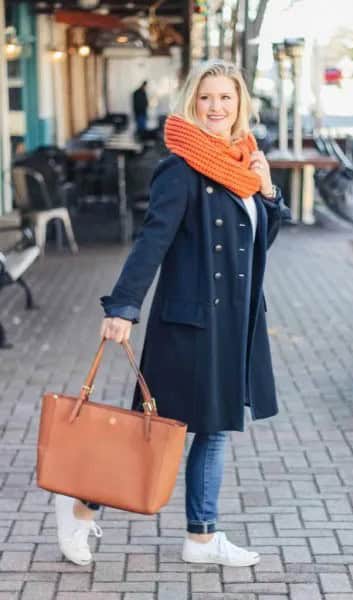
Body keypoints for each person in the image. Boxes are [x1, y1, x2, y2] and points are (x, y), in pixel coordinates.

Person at [55, 59, 288, 568]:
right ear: (191, 101)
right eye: (206, 97)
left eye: (226, 98)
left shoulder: (245, 163)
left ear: (239, 104)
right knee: (153, 431)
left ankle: (201, 539)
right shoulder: (181, 168)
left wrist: (267, 192)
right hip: (189, 324)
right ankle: (80, 507)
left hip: (232, 323)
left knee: (215, 428)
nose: (215, 108)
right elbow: (152, 242)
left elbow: (259, 244)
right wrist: (123, 306)